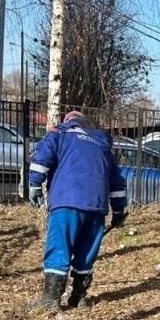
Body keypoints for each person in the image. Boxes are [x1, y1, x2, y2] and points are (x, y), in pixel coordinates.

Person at [28, 111, 128, 309]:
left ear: (68, 121)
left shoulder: (60, 133)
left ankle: (50, 300)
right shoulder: (101, 144)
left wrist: (34, 185)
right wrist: (118, 212)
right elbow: (117, 183)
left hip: (67, 201)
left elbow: (41, 157)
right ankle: (79, 298)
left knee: (59, 247)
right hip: (97, 207)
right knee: (86, 252)